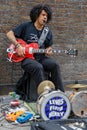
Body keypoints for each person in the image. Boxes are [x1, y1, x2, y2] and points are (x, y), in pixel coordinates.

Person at [6, 4, 64, 99]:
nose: (45, 17)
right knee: (38, 67)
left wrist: (48, 50)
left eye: (47, 16)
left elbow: (48, 47)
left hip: (41, 58)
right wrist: (18, 45)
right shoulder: (26, 26)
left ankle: (61, 94)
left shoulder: (47, 31)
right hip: (27, 59)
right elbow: (9, 34)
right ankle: (44, 97)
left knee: (55, 65)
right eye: (43, 15)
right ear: (37, 15)